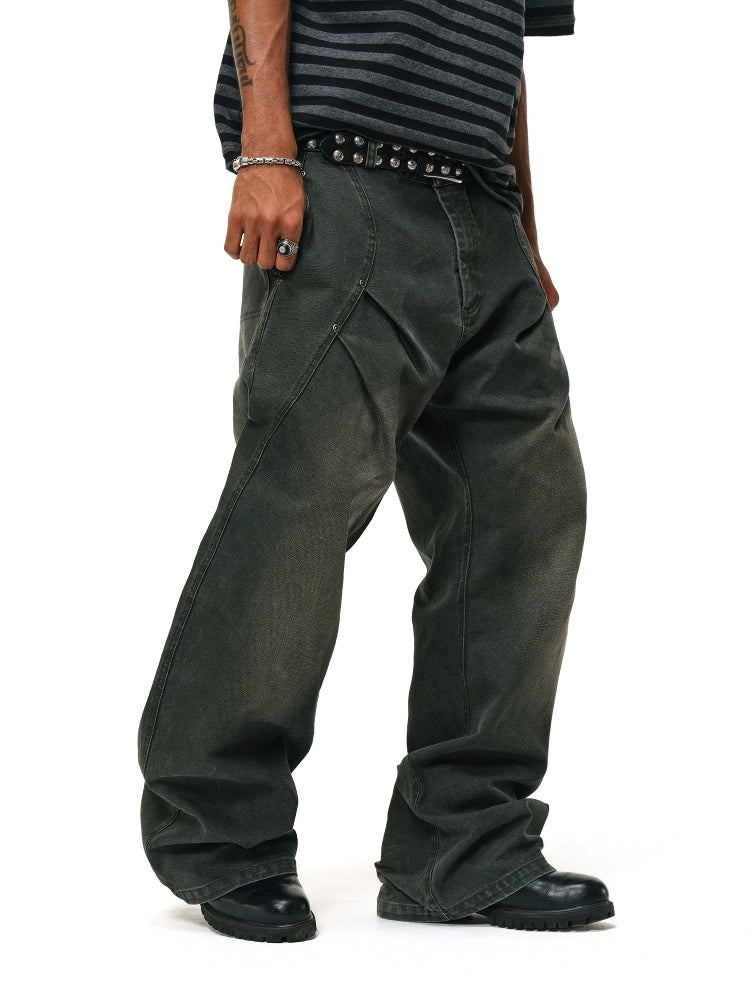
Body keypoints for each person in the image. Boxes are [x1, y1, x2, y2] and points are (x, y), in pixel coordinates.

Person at [137, 0, 615, 943]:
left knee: (528, 513)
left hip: (483, 208)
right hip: (346, 175)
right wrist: (266, 152)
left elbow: (505, 55)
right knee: (300, 506)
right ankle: (221, 833)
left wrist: (524, 231)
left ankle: (462, 845)